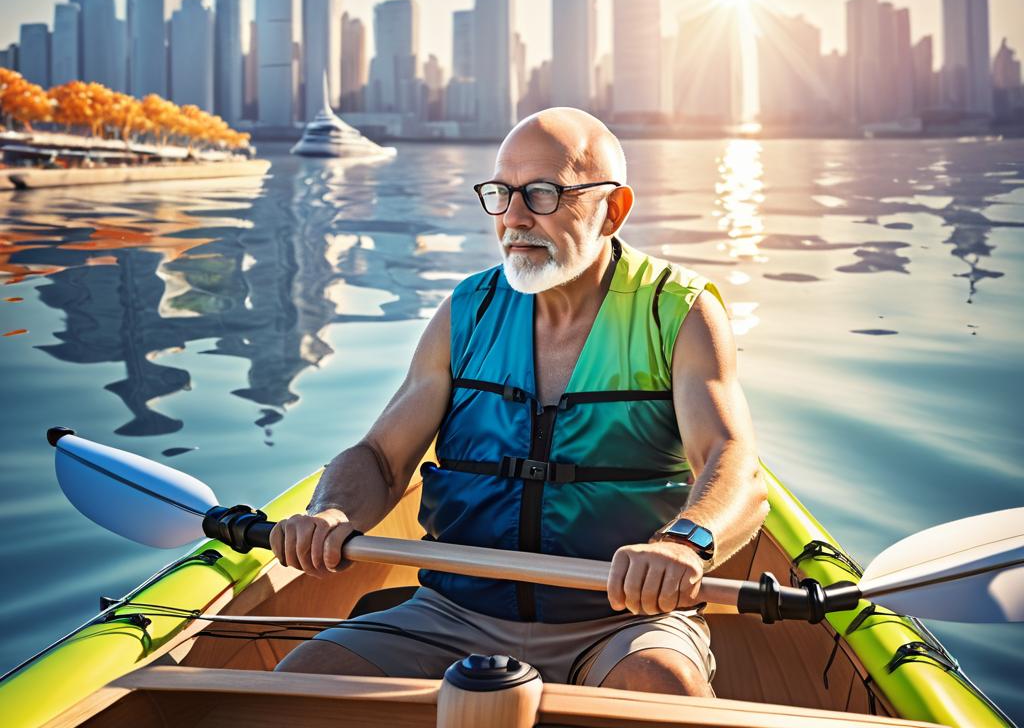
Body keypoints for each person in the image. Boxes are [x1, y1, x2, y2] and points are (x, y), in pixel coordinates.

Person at [272, 108, 768, 695]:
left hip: (622, 621)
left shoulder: (677, 310)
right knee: (303, 679)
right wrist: (333, 511)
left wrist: (685, 542)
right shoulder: (468, 309)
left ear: (612, 209)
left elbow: (734, 463)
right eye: (501, 194)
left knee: (660, 680)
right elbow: (381, 457)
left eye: (541, 194)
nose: (512, 218)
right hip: (452, 613)